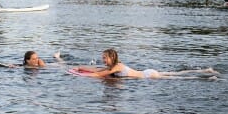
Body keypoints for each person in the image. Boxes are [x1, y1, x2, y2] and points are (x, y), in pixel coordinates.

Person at [76, 49, 218, 79]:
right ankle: (207, 70)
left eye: (104, 58)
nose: (103, 60)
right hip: (147, 72)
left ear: (111, 58)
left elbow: (99, 74)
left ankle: (206, 77)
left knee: (176, 77)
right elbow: (98, 69)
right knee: (176, 73)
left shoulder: (116, 67)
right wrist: (82, 68)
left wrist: (82, 75)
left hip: (148, 76)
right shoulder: (115, 65)